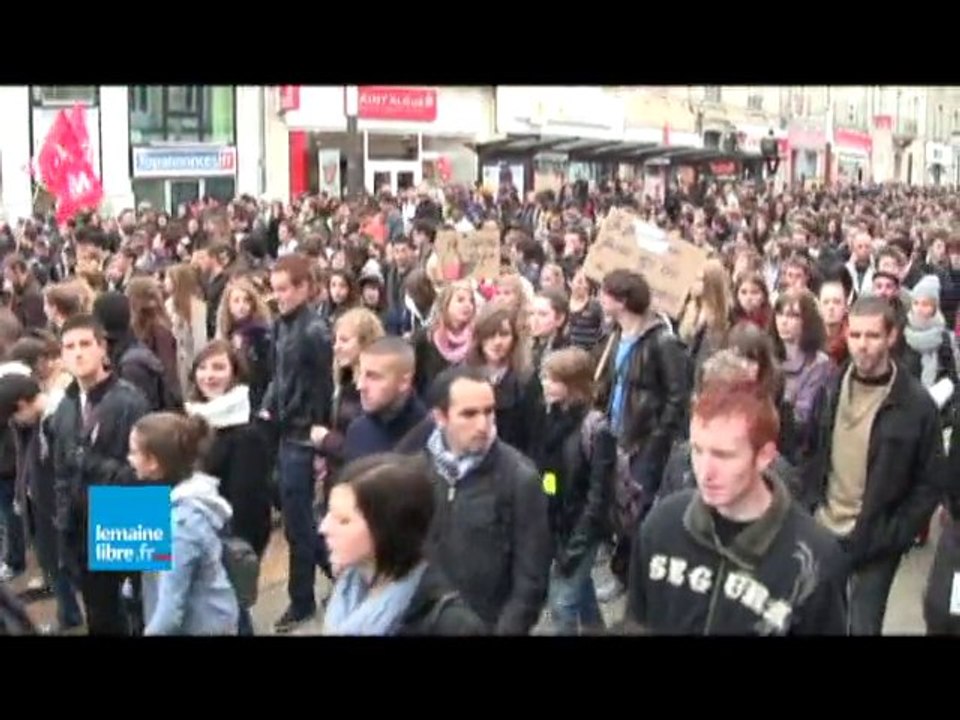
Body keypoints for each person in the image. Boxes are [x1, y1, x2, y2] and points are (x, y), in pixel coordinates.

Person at [625, 378, 848, 635]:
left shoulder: (813, 559)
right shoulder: (662, 526)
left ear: (764, 456)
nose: (705, 472)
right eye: (697, 451)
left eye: (723, 455)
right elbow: (637, 622)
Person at [803, 296, 945, 635]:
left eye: (872, 336)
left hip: (875, 541)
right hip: (823, 529)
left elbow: (930, 481)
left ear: (891, 336)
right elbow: (810, 450)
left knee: (862, 625)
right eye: (856, 336)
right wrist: (807, 505)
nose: (862, 346)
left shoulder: (915, 404)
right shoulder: (831, 385)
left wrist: (896, 533)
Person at [421, 365, 552, 634]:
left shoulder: (519, 478)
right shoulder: (417, 471)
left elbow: (532, 577)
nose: (483, 424)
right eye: (469, 414)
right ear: (440, 417)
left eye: (489, 411)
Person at [49, 314, 151, 635]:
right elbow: (60, 471)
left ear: (102, 348)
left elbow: (144, 472)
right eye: (69, 347)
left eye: (85, 344)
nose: (78, 353)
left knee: (138, 611)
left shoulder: (129, 400)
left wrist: (90, 463)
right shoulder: (65, 406)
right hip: (81, 525)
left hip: (124, 514)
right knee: (100, 616)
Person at [594, 269, 690, 588]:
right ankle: (620, 562)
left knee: (637, 512)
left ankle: (630, 576)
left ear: (621, 300)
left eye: (605, 293)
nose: (599, 299)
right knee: (619, 505)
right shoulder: (616, 336)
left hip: (644, 442)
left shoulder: (662, 341)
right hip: (618, 435)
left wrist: (656, 440)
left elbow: (678, 398)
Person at [320, 453, 486, 635]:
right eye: (329, 513)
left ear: (386, 529)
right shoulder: (348, 591)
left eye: (343, 520)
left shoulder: (450, 625)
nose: (324, 528)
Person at [259, 253, 334, 633]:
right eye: (274, 290)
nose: (279, 297)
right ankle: (334, 573)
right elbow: (279, 376)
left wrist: (318, 437)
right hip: (287, 429)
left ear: (304, 288)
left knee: (299, 522)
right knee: (296, 520)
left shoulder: (314, 331)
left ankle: (304, 596)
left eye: (285, 289)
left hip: (304, 436)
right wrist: (268, 408)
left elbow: (322, 388)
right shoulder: (283, 326)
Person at [128, 412, 239, 635]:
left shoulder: (180, 525)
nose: (129, 458)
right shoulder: (179, 503)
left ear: (153, 463)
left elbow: (169, 613)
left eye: (134, 452)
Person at [536, 348, 614, 635]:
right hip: (560, 524)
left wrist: (577, 545)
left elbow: (598, 496)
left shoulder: (596, 429)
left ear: (572, 385)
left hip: (583, 529)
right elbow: (551, 475)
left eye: (552, 379)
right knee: (581, 593)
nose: (544, 384)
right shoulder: (552, 419)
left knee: (563, 603)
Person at [342, 336, 427, 462]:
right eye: (361, 374)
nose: (361, 386)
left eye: (373, 377)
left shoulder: (430, 436)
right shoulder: (357, 430)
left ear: (404, 382)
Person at [215, 276, 273, 414]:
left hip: (256, 399)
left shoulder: (261, 333)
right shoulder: (227, 334)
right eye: (236, 301)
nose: (242, 305)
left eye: (246, 300)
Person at [411, 280, 476, 399]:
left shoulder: (477, 338)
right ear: (446, 304)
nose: (467, 305)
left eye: (471, 301)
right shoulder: (426, 338)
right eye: (460, 300)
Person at [163, 263, 208, 395]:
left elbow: (200, 339)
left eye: (168, 278)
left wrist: (197, 365)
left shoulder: (196, 307)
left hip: (188, 361)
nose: (165, 281)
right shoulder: (169, 303)